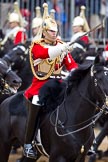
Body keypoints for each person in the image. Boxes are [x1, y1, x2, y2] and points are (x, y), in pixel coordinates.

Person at [23, 2, 78, 160]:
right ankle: (28, 144)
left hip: (60, 83)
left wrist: (75, 74)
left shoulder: (61, 45)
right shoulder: (36, 46)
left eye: (56, 31)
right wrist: (62, 48)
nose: (54, 34)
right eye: (51, 31)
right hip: (41, 85)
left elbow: (72, 65)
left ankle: (85, 138)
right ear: (44, 32)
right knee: (36, 102)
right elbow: (45, 54)